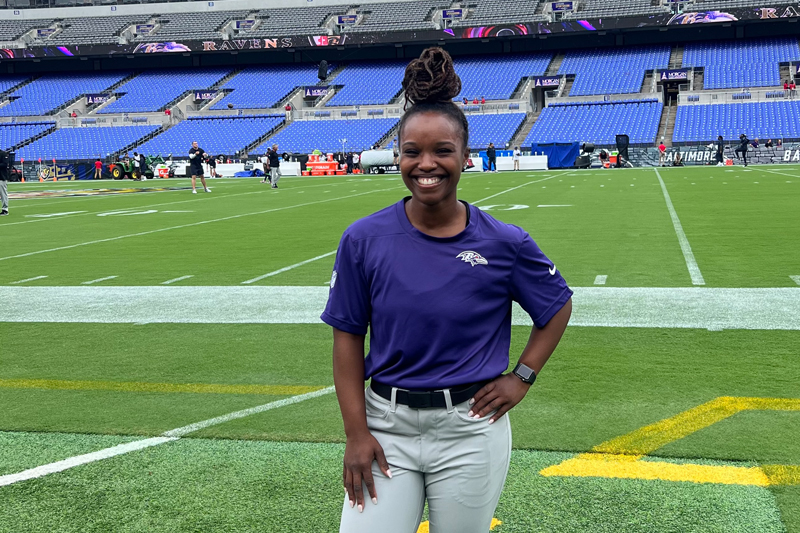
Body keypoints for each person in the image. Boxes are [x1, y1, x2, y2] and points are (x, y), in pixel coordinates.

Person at [322, 47, 572, 533]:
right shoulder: (362, 238)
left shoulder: (504, 241)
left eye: (442, 151)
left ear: (465, 157)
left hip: (469, 429)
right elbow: (347, 337)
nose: (426, 164)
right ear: (398, 156)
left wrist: (521, 377)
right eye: (412, 151)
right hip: (384, 424)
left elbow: (556, 305)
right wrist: (356, 433)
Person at [0, 149, 9, 216]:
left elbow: (5, 164)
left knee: (3, 193)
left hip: (1, 177)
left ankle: (5, 209)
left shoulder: (3, 153)